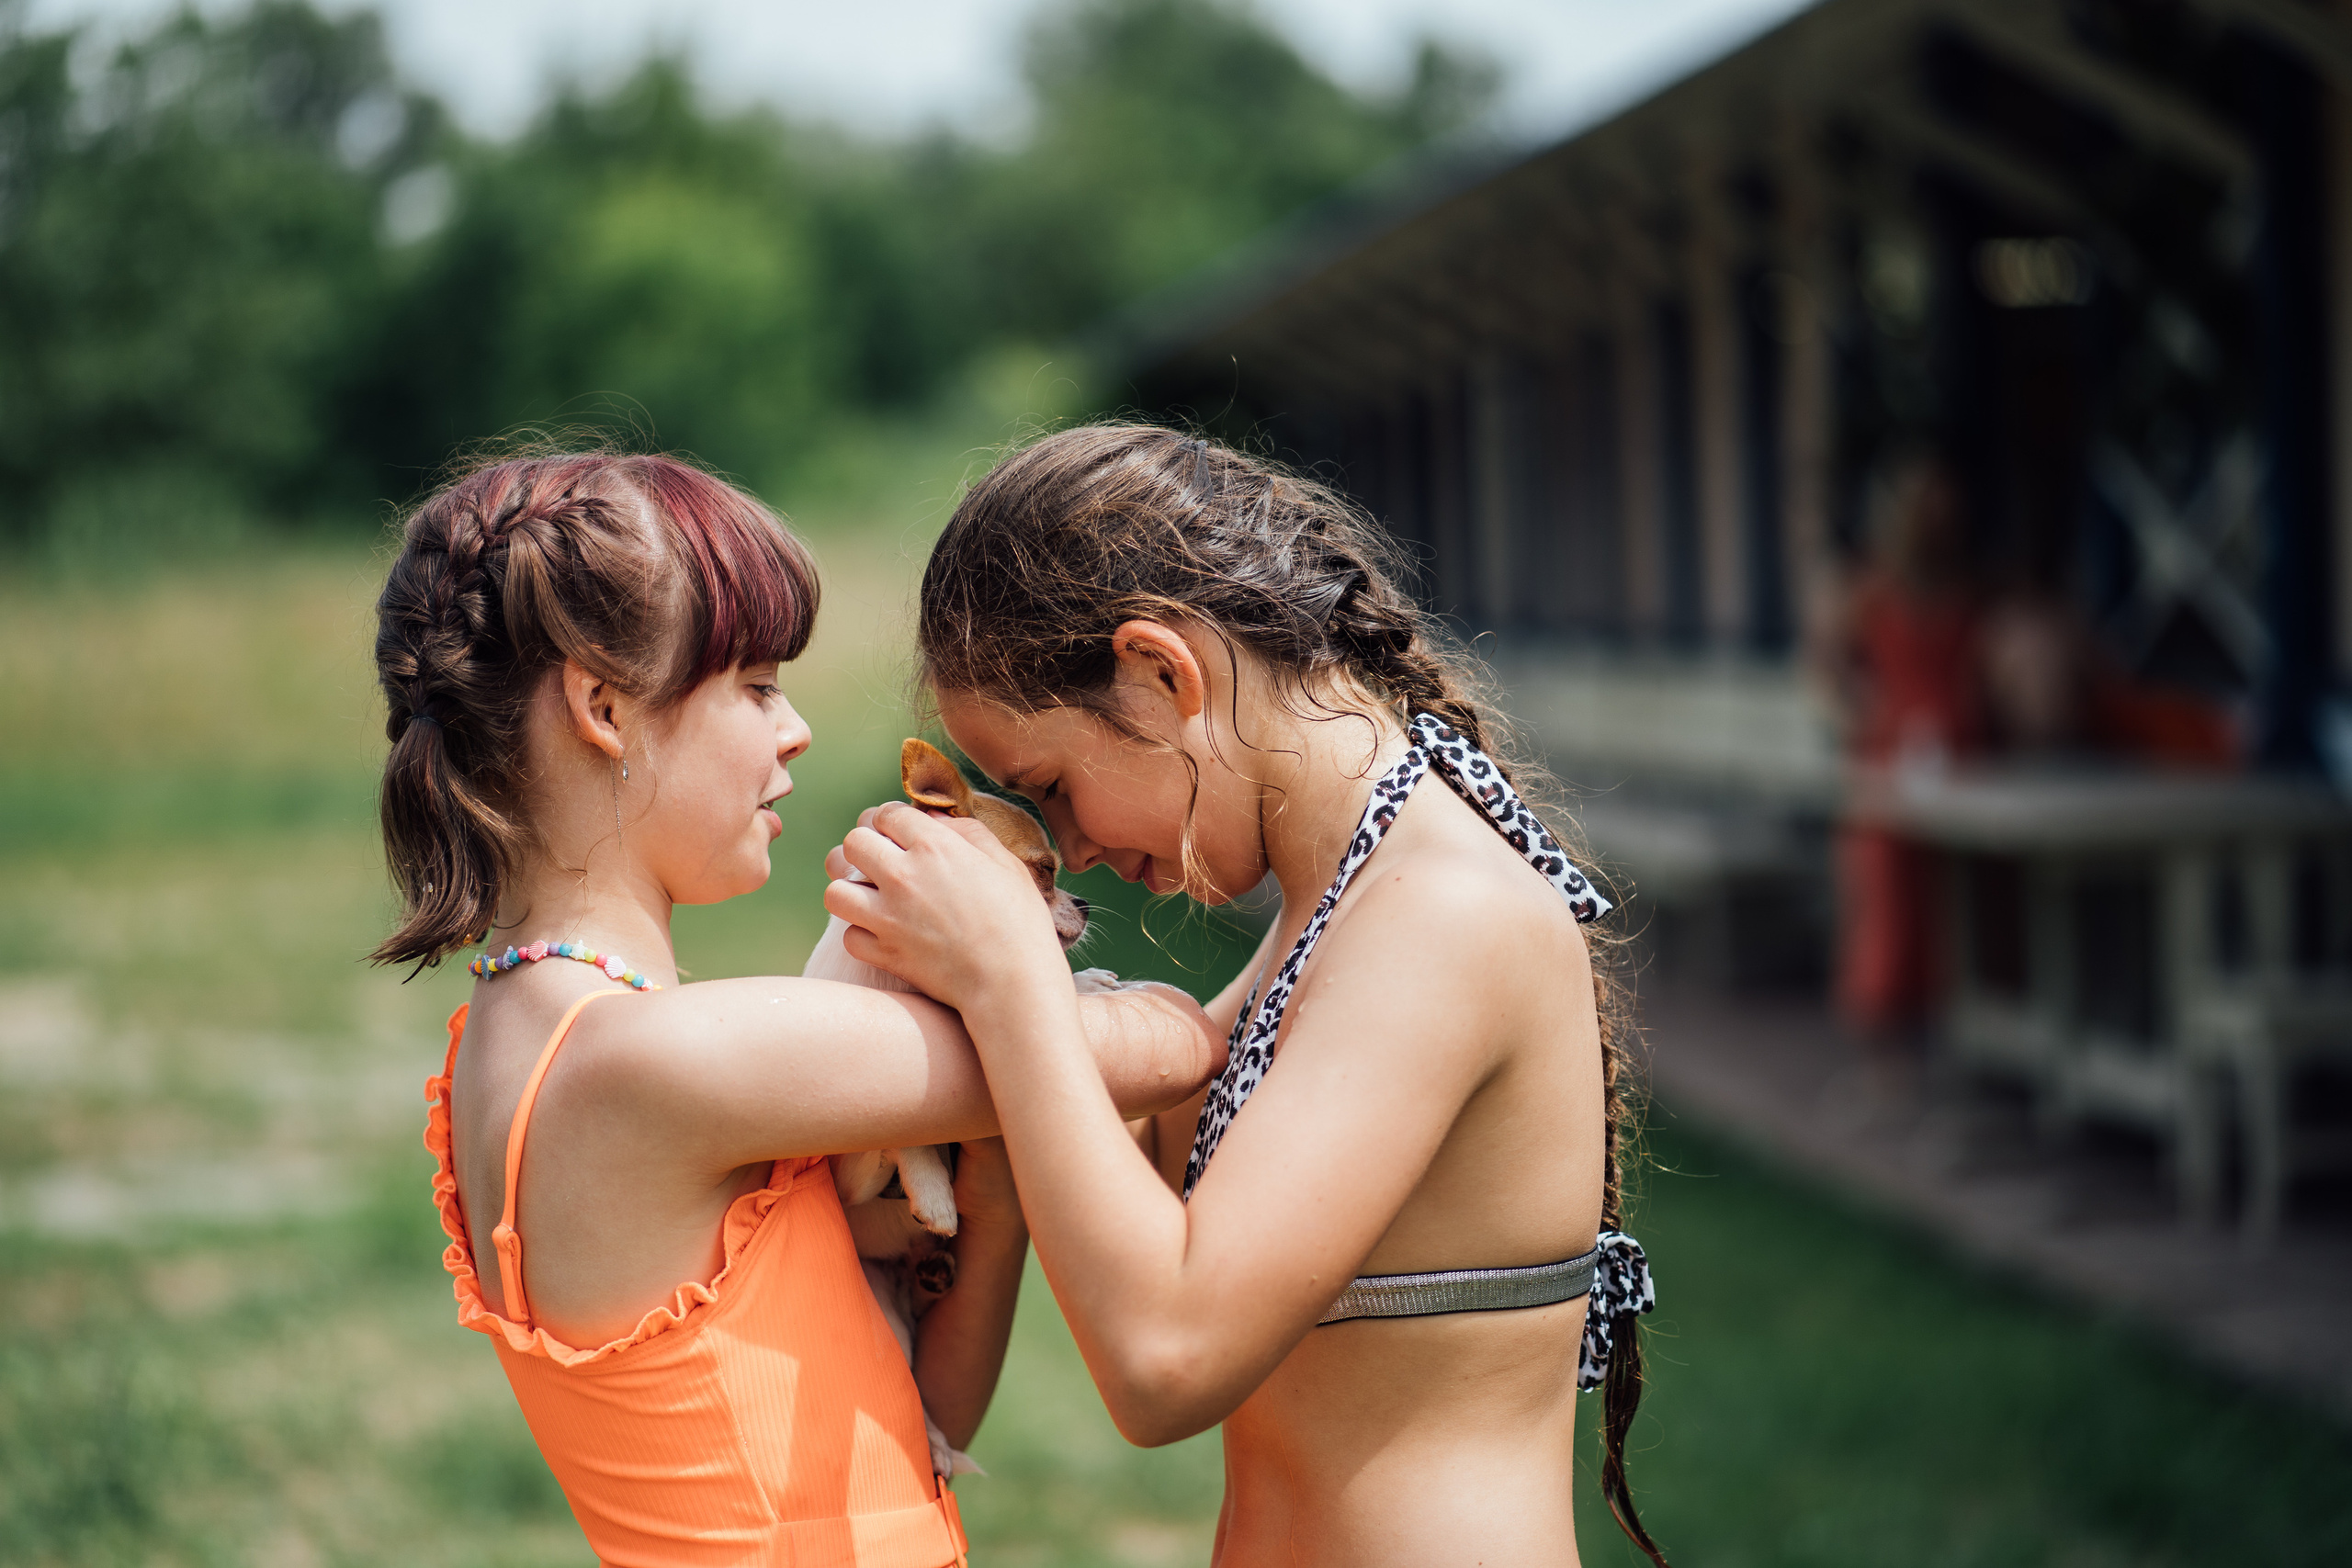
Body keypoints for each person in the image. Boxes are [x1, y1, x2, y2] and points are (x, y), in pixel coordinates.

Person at [824, 426, 1667, 1567]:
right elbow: (1111, 1177)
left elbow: (1165, 1358)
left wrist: (1009, 977)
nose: (1063, 851)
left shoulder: (1442, 918)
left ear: (1163, 673)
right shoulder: (1332, 914)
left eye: (1052, 788)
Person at [371, 451, 1220, 1568]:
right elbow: (1163, 1052)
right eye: (759, 683)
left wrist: (999, 1192)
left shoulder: (517, 1041)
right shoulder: (660, 1063)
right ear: (604, 705)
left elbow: (913, 1426)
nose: (796, 729)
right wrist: (1034, 964)